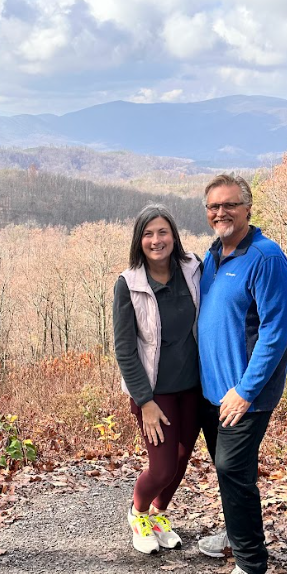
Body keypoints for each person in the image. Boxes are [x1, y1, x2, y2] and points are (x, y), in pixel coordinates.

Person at [197, 174, 287, 574]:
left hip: (244, 394)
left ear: (248, 208)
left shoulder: (266, 257)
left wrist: (246, 390)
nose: (221, 213)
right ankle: (235, 534)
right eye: (214, 206)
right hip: (214, 390)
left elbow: (276, 332)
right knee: (228, 471)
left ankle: (253, 571)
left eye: (230, 205)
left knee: (233, 469)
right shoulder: (213, 255)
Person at [113, 204, 203, 554]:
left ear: (174, 236)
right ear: (139, 240)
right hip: (154, 393)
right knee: (163, 466)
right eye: (148, 234)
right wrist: (145, 401)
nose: (156, 240)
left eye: (163, 232)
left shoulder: (193, 269)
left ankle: (159, 514)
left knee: (181, 459)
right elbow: (125, 350)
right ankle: (138, 513)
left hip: (193, 387)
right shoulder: (129, 284)